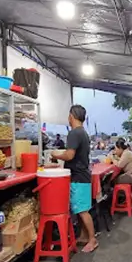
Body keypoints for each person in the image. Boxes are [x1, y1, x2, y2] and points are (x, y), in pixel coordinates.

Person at [51, 105, 97, 253]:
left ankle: (92, 239)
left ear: (72, 116)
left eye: (68, 115)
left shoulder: (74, 133)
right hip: (82, 175)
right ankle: (84, 236)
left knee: (82, 210)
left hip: (78, 176)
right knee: (80, 208)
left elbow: (69, 155)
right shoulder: (83, 133)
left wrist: (55, 154)